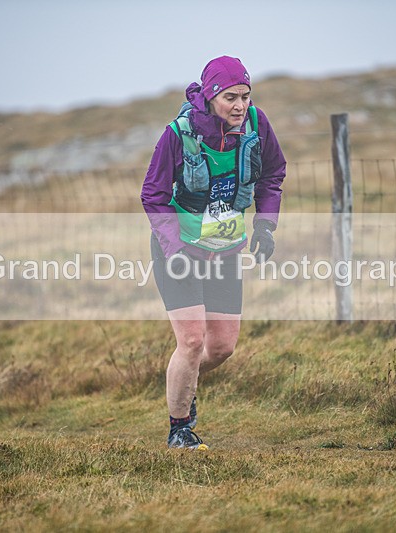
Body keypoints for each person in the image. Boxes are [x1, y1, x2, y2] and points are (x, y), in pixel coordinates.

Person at [141, 56, 287, 450]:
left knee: (221, 348)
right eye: (230, 97)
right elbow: (153, 194)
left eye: (245, 96)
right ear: (210, 97)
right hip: (179, 251)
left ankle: (182, 380)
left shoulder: (256, 124)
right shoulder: (178, 134)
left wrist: (265, 225)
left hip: (225, 250)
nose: (240, 106)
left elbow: (272, 173)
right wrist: (173, 247)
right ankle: (179, 429)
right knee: (191, 341)